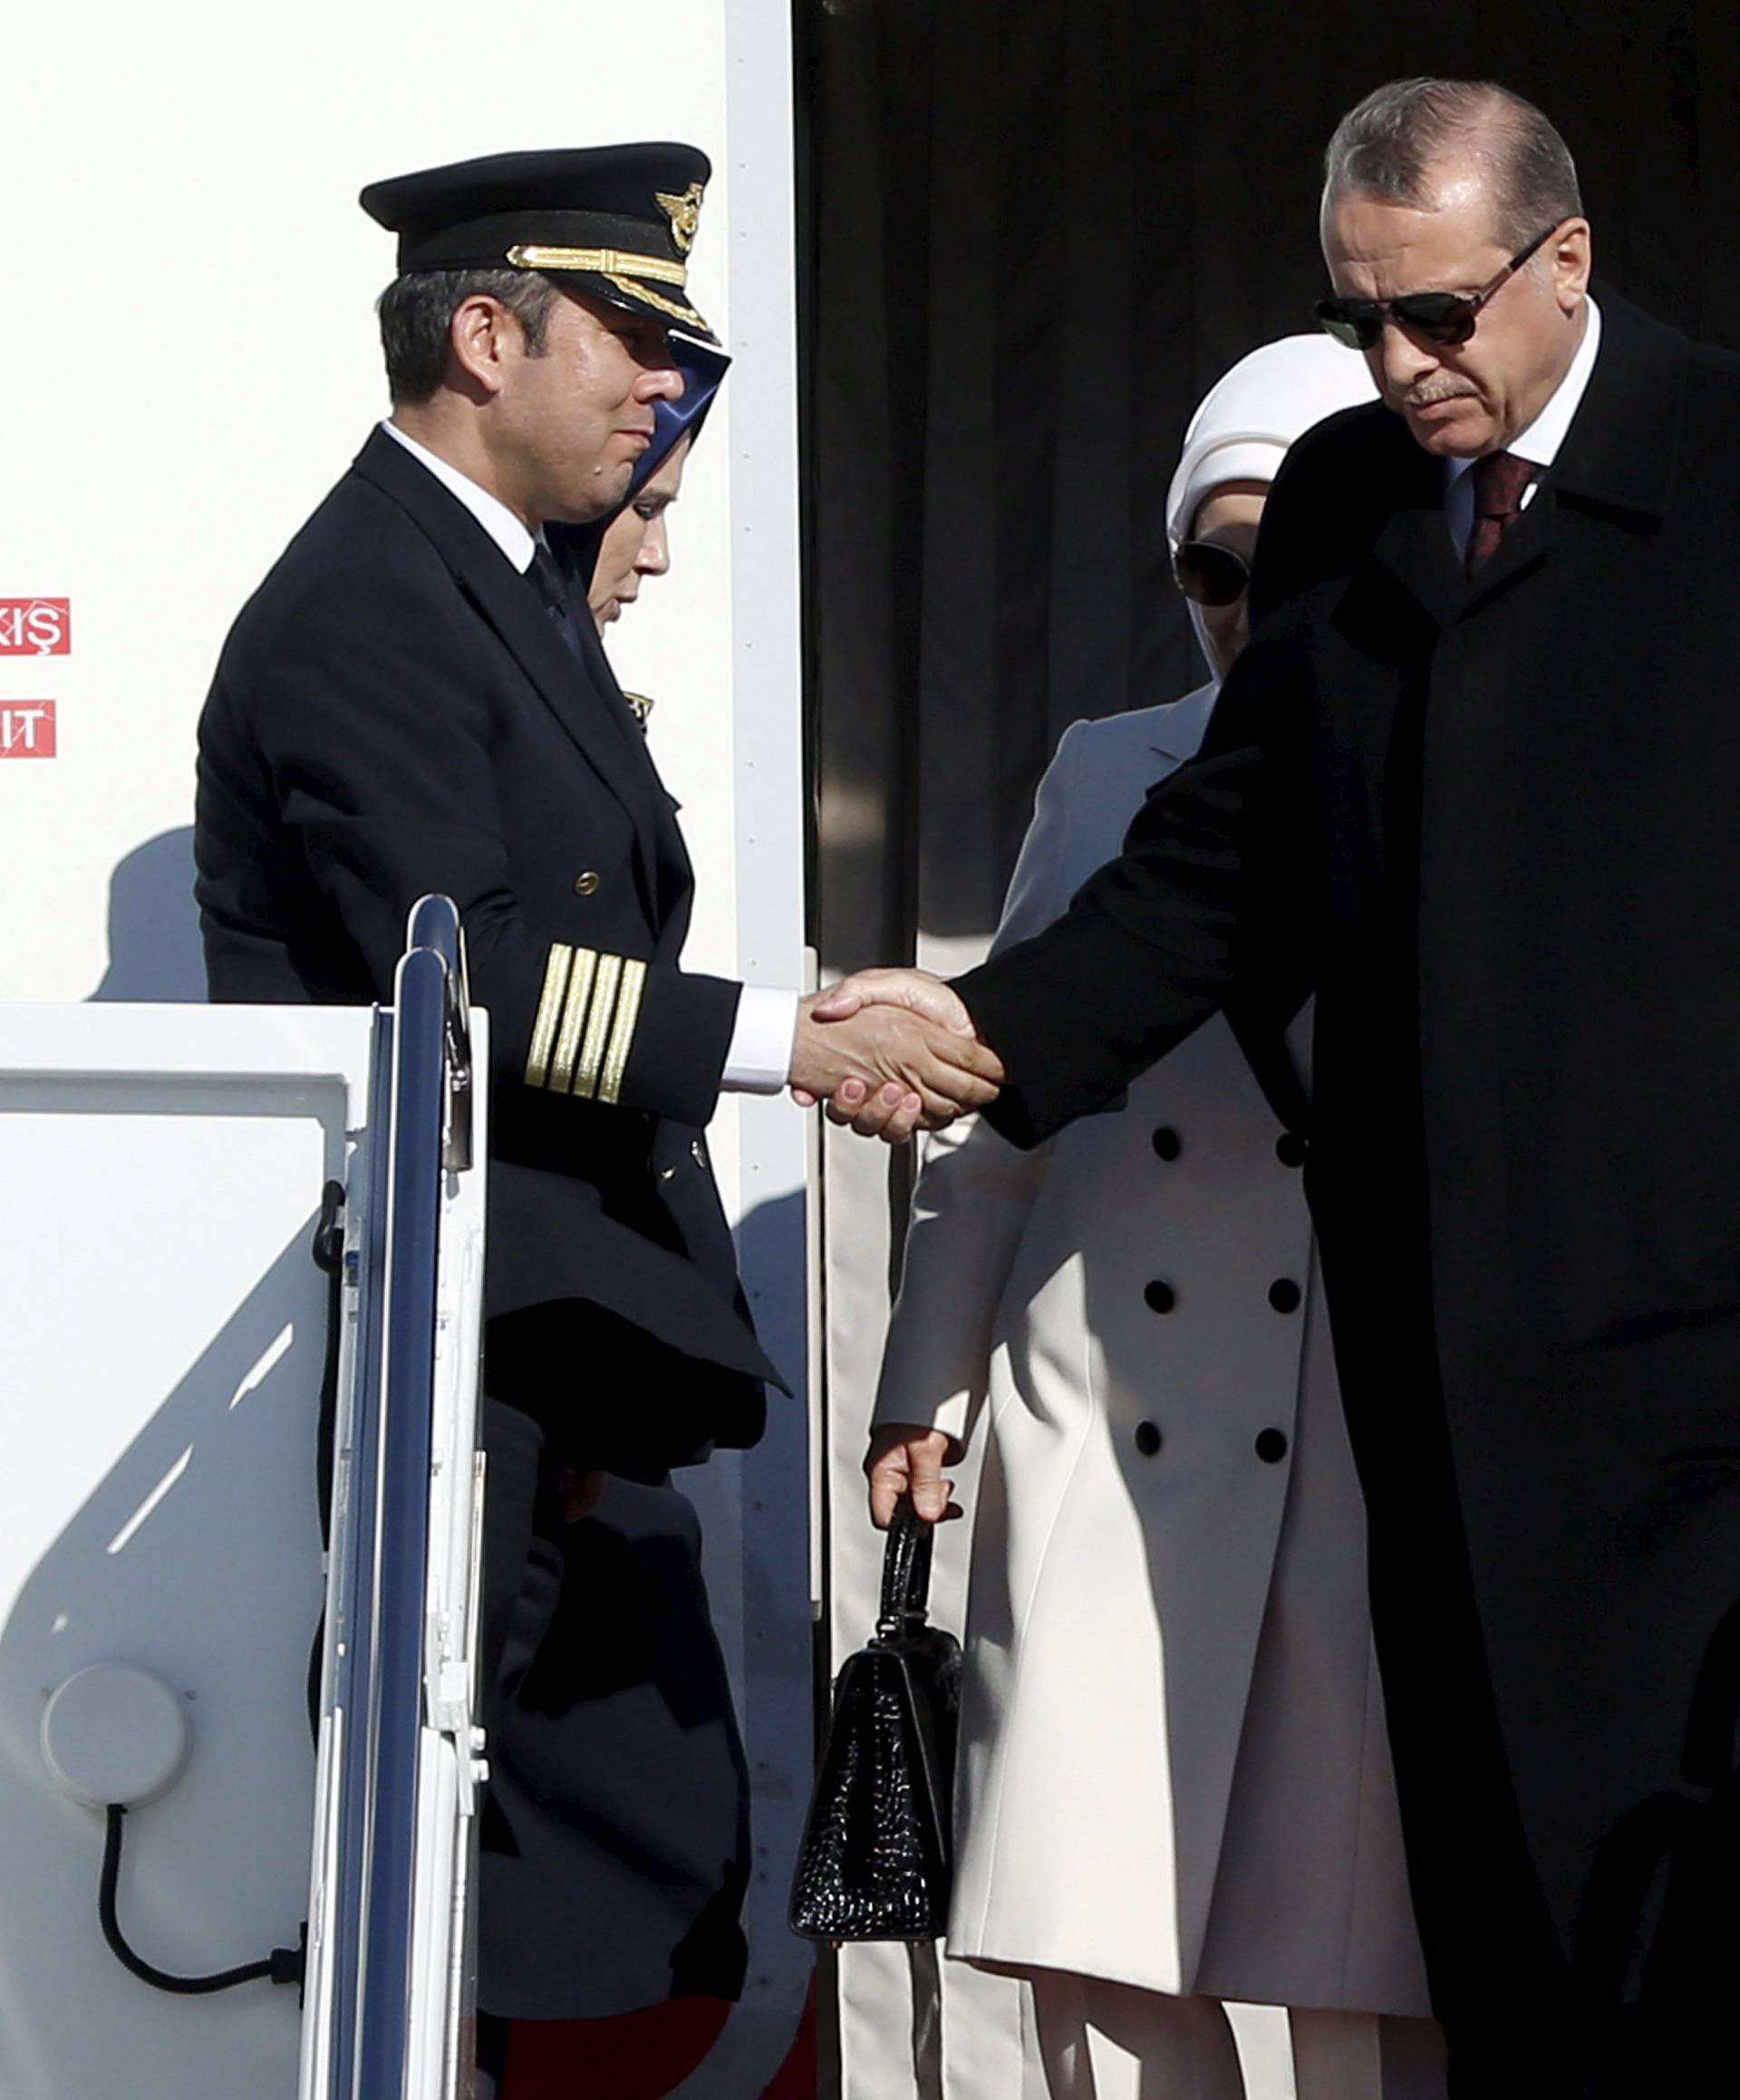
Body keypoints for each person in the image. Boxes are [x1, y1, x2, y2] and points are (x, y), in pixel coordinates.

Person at [820, 79, 1740, 2096]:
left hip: (1687, 1385)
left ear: (1567, 263)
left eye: (1444, 315)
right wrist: (980, 1038)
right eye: (1366, 315)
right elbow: (1215, 864)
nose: (1407, 367)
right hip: (1429, 1391)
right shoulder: (1347, 505)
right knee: (1484, 1924)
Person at [191, 143, 998, 2089]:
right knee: (547, 1917)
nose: (668, 392)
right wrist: (786, 1045)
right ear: (488, 334)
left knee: (639, 1891)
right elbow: (451, 969)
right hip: (480, 1380)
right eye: (639, 343)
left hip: (573, 1362)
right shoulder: (371, 603)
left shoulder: (497, 588)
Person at [867, 335, 1444, 2100]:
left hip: (1355, 1432)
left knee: (1368, 1963)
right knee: (1097, 1940)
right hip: (1105, 1416)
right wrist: (924, 1377)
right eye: (1210, 563)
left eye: (1282, 564)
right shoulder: (1110, 768)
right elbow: (1007, 1106)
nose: (1240, 604)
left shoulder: (1454, 748)